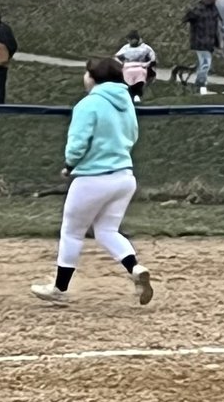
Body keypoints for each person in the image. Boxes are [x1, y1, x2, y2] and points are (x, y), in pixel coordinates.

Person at [30, 57, 153, 306]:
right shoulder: (126, 102)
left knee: (72, 232)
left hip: (93, 178)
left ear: (94, 77)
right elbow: (133, 135)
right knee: (107, 230)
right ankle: (135, 268)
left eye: (87, 73)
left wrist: (69, 165)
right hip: (124, 176)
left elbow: (78, 143)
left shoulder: (88, 104)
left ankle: (59, 289)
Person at [183, 0, 219, 95]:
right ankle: (200, 84)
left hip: (210, 42)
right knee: (206, 63)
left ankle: (199, 85)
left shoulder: (214, 8)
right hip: (200, 42)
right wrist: (189, 15)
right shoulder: (198, 8)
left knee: (202, 64)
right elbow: (187, 18)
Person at [115, 31, 157, 103]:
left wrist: (147, 64)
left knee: (141, 74)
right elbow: (116, 57)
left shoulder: (146, 48)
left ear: (136, 39)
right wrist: (121, 63)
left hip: (141, 67)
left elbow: (153, 59)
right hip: (128, 67)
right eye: (128, 40)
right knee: (124, 75)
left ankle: (137, 93)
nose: (129, 41)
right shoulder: (125, 47)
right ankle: (127, 93)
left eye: (131, 39)